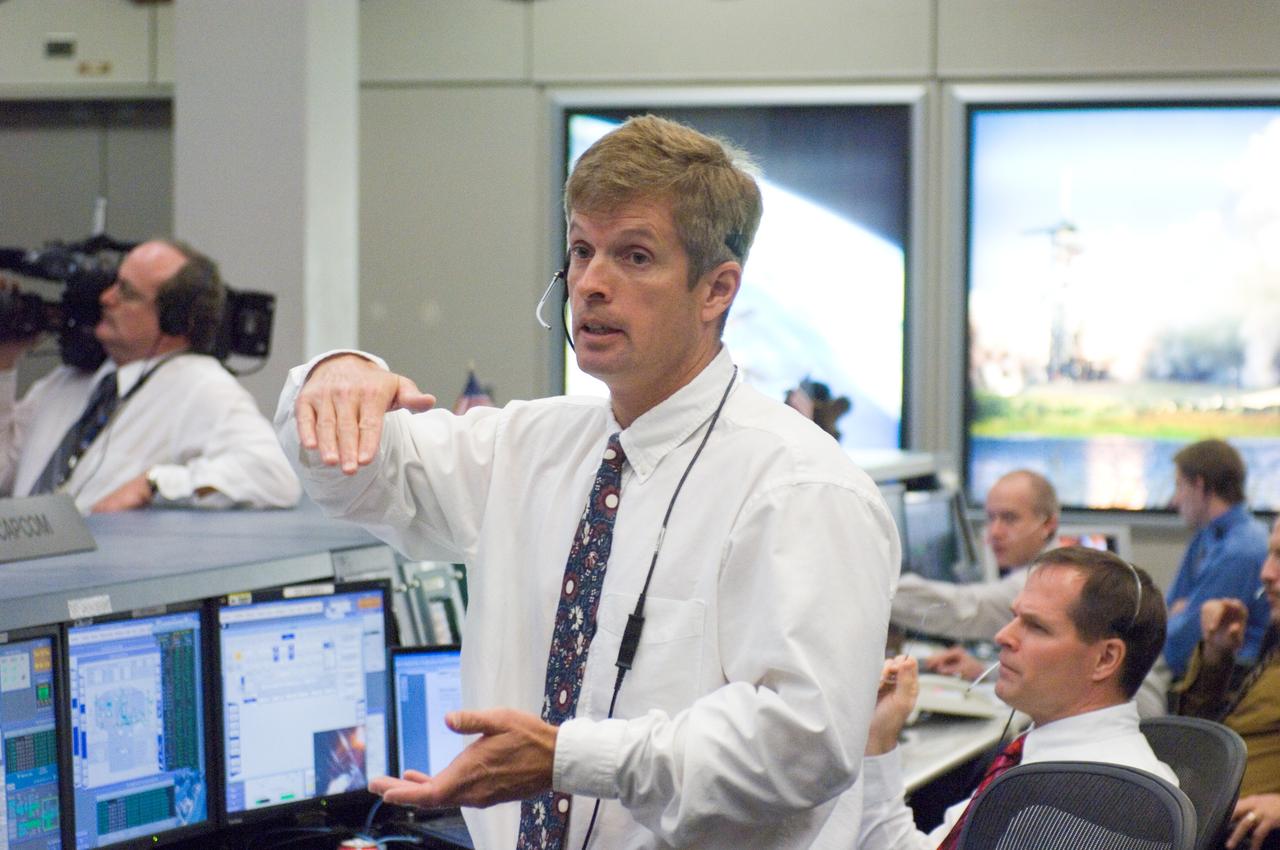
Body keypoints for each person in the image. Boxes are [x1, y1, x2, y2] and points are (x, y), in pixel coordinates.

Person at [277, 115, 898, 849]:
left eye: (635, 256)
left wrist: (571, 759)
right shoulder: (531, 444)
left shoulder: (803, 489)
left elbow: (804, 746)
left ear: (716, 290)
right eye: (581, 250)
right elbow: (353, 479)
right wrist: (333, 376)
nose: (593, 284)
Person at [860, 546, 1176, 850]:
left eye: (1036, 626)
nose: (1003, 636)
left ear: (1106, 659)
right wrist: (879, 742)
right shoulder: (1050, 758)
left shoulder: (1078, 798)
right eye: (1015, 617)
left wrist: (876, 750)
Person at [0, 239, 300, 513]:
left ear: (176, 321)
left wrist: (155, 483)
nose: (106, 298)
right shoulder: (67, 381)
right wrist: (5, 361)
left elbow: (274, 476)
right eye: (114, 284)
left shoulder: (201, 386)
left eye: (126, 293)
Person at [1174, 515, 1280, 849]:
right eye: (1271, 554)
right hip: (1201, 815)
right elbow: (1196, 734)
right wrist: (1217, 656)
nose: (1266, 573)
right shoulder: (1275, 639)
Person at [893, 470, 1058, 679]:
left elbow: (962, 608)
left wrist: (876, 588)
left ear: (1048, 525)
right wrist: (985, 670)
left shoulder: (1047, 580)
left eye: (1009, 518)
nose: (995, 532)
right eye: (991, 518)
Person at [1165, 438, 1269, 679]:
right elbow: (1170, 607)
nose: (1174, 500)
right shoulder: (1207, 534)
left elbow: (1180, 647)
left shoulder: (1241, 550)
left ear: (1200, 485)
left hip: (1229, 681)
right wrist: (1181, 613)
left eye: (1179, 486)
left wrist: (1183, 612)